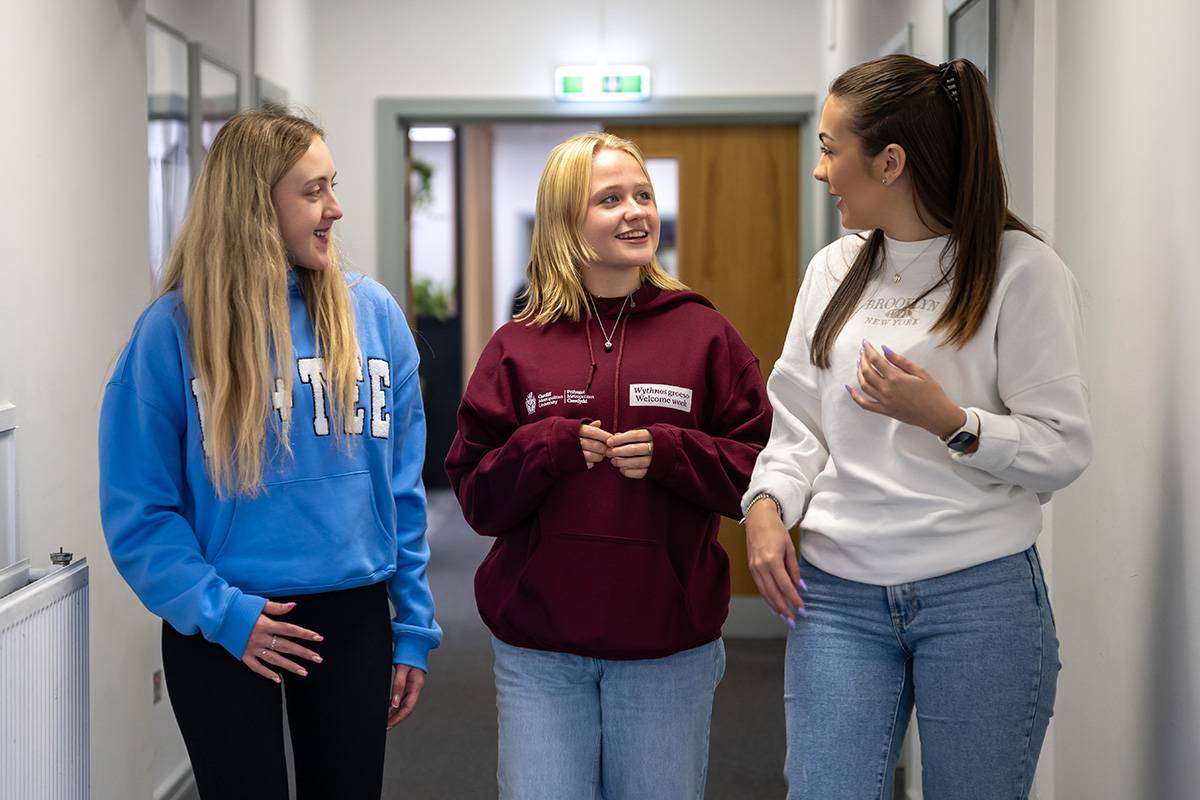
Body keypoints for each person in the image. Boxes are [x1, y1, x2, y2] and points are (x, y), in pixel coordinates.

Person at [742, 56, 1093, 799]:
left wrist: (950, 421)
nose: (820, 170)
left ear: (890, 161)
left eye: (832, 149)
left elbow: (1061, 448)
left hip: (981, 596)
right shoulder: (833, 270)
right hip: (836, 596)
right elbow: (798, 422)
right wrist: (767, 506)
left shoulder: (1019, 271)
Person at [99, 106, 440, 799]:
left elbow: (399, 493)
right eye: (313, 191)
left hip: (351, 619)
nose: (335, 208)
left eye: (333, 185)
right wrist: (222, 612)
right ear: (256, 204)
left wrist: (412, 625)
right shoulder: (171, 333)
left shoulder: (372, 315)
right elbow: (141, 512)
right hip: (224, 624)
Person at [445, 132, 771, 799]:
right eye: (611, 199)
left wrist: (674, 454)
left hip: (666, 649)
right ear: (567, 222)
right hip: (540, 652)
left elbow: (759, 469)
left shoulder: (704, 335)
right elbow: (477, 497)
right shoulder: (517, 346)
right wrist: (546, 447)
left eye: (643, 195)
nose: (636, 212)